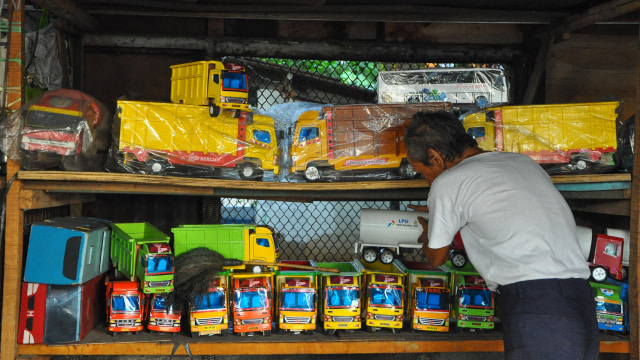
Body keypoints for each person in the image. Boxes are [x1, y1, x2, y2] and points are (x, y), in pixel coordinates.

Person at [405, 110, 599, 360]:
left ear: (434, 157)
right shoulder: (522, 162)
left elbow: (436, 257)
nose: (427, 180)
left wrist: (430, 228)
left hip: (537, 306)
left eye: (421, 171)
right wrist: (445, 211)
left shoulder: (449, 183)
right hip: (579, 299)